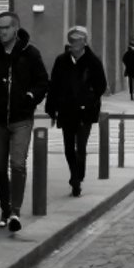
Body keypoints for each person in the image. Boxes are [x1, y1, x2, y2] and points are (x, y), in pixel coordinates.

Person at [0, 11, 49, 234]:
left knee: (17, 164)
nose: (1, 31)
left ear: (15, 29)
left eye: (5, 27)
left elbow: (43, 82)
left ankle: (15, 211)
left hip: (21, 119)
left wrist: (30, 97)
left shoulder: (30, 53)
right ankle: (4, 209)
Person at [46, 26, 108, 197]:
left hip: (85, 112)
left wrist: (89, 100)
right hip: (66, 110)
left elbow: (101, 85)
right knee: (68, 147)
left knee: (81, 146)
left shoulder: (93, 61)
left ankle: (77, 177)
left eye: (77, 41)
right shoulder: (62, 61)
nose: (74, 44)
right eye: (71, 40)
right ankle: (74, 174)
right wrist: (51, 108)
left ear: (84, 42)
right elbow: (54, 85)